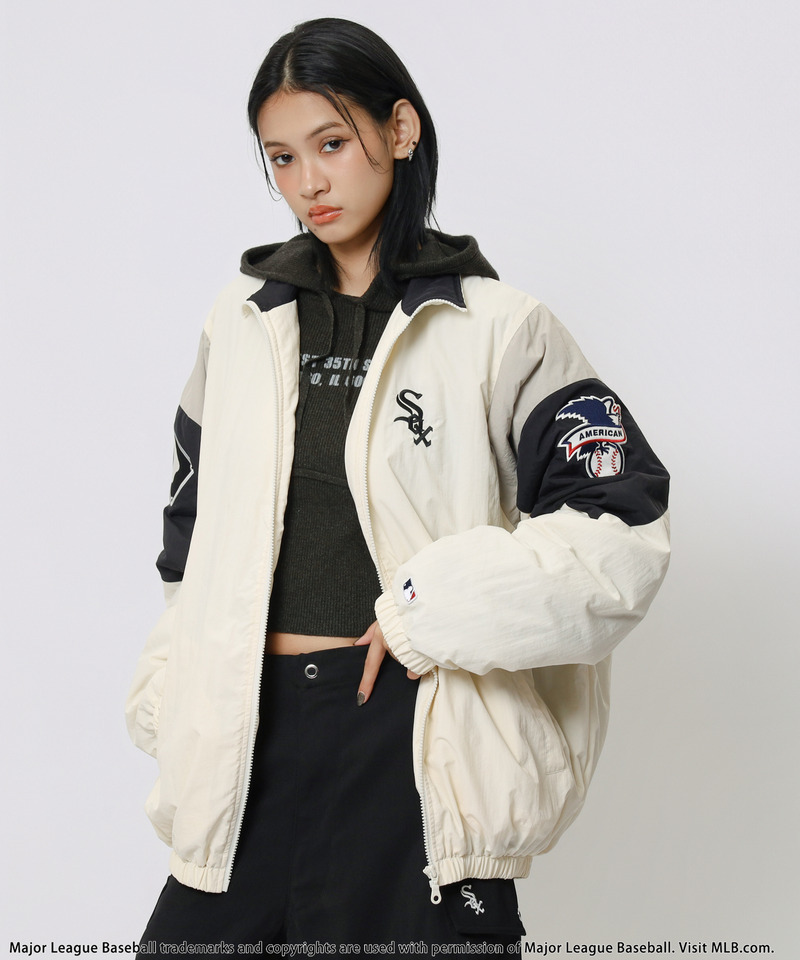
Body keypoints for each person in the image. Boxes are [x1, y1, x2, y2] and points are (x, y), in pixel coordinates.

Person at [126, 17, 670, 955]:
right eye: (282, 157)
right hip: (246, 747)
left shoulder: (500, 328)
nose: (309, 182)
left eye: (332, 144)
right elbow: (190, 539)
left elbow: (620, 534)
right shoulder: (241, 323)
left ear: (400, 129)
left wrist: (429, 609)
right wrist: (173, 700)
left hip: (409, 739)